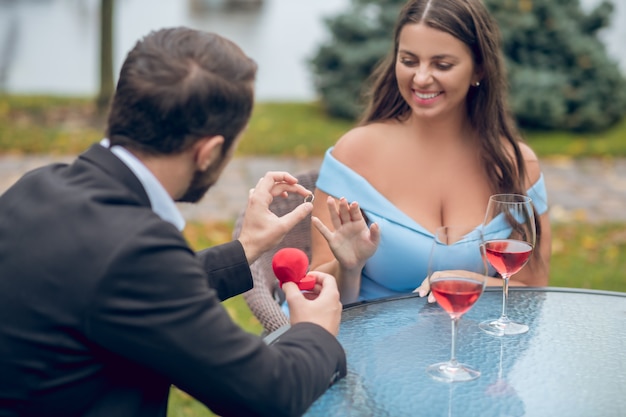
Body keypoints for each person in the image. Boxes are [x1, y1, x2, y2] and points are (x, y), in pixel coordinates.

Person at [0, 27, 346, 417]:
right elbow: (268, 392)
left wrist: (245, 249)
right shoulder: (136, 250)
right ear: (209, 151)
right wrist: (315, 332)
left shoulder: (36, 187)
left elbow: (123, 287)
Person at [310, 0, 551, 304]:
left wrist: (469, 282)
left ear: (479, 68)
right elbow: (315, 294)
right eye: (409, 61)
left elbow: (534, 290)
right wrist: (349, 267)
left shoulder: (518, 166)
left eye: (442, 65)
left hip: (472, 346)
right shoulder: (354, 155)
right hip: (364, 343)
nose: (421, 78)